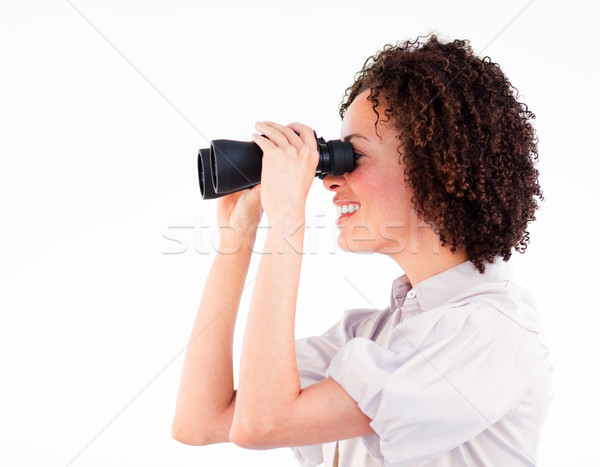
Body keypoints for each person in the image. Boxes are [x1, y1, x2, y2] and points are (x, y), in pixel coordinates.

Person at [171, 34, 553, 466]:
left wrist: (287, 217)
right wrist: (237, 236)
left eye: (354, 156)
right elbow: (201, 420)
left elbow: (264, 423)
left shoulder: (492, 332)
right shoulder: (371, 338)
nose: (330, 181)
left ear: (435, 167)